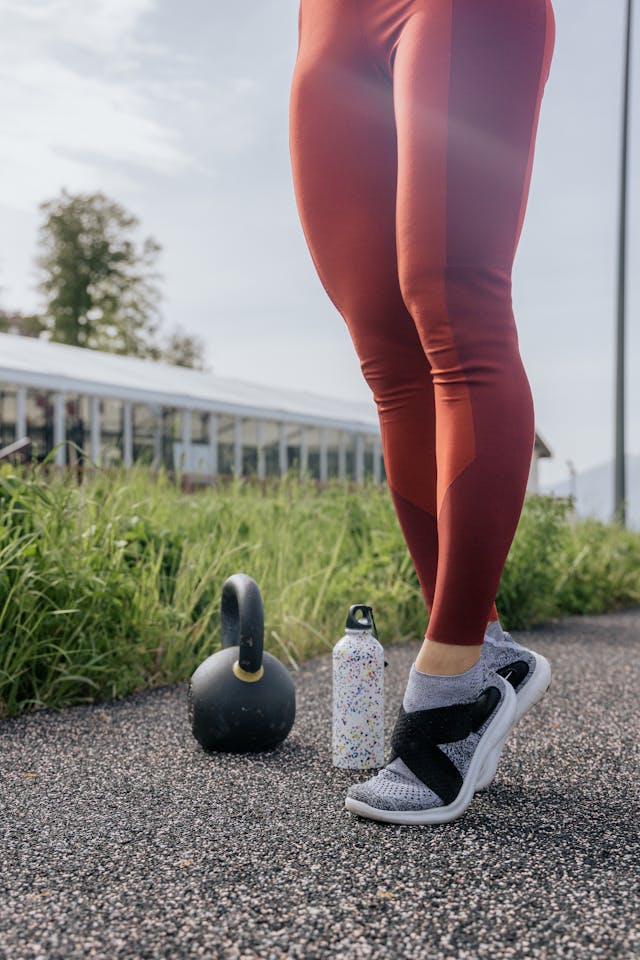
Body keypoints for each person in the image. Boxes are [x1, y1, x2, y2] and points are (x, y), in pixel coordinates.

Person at [289, 0, 555, 825]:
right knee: (387, 354)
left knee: (455, 309)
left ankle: (448, 688)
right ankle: (486, 649)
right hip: (330, 21)